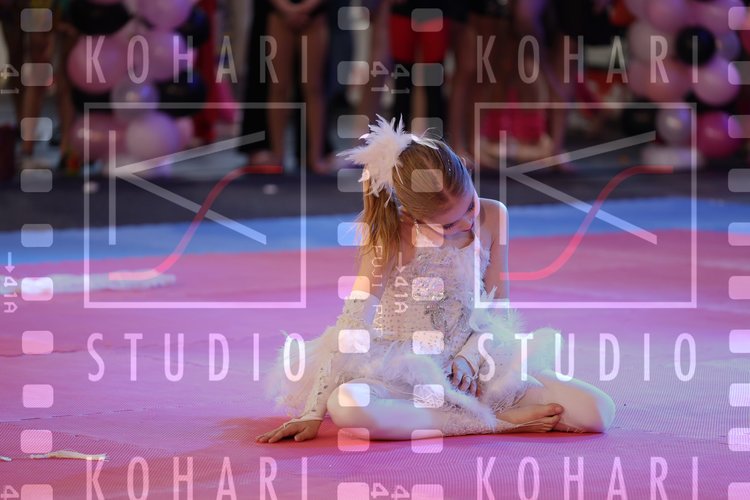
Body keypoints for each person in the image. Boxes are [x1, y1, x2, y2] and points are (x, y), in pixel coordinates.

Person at [257, 116, 615, 443]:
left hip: (476, 365)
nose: (468, 223)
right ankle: (493, 422)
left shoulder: (494, 216)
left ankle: (469, 410)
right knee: (348, 406)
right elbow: (352, 325)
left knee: (598, 411)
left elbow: (497, 308)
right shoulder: (390, 236)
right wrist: (312, 412)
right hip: (406, 372)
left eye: (470, 206)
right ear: (410, 216)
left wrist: (470, 358)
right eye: (448, 225)